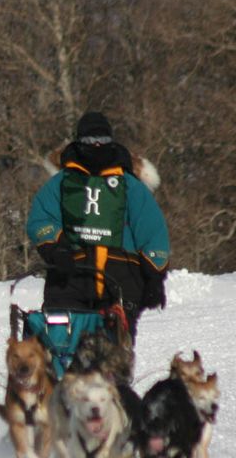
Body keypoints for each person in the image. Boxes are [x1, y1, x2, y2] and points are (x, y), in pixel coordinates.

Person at [26, 111, 169, 340]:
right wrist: (55, 245)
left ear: (111, 142)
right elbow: (40, 218)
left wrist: (154, 276)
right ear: (78, 142)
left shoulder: (129, 185)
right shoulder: (61, 183)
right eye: (89, 141)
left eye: (102, 140)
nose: (96, 145)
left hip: (121, 279)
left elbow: (152, 230)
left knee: (114, 356)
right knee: (62, 347)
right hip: (69, 275)